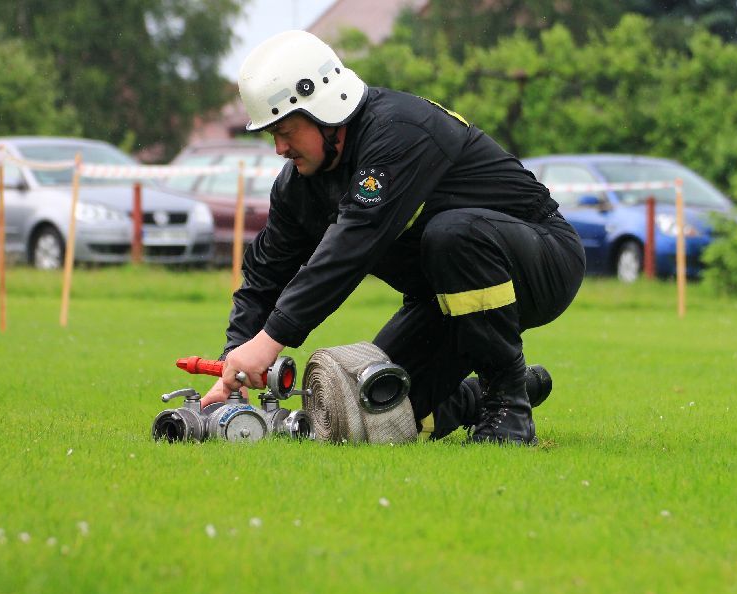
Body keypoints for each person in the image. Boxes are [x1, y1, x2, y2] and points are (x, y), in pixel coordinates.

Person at [199, 30, 585, 444]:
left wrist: (271, 339)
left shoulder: (398, 131)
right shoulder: (298, 185)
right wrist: (234, 360)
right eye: (271, 134)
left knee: (452, 235)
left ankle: (507, 403)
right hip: (442, 299)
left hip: (543, 262)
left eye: (286, 131)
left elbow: (351, 246)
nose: (279, 148)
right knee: (371, 414)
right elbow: (264, 274)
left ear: (324, 109)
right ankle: (486, 395)